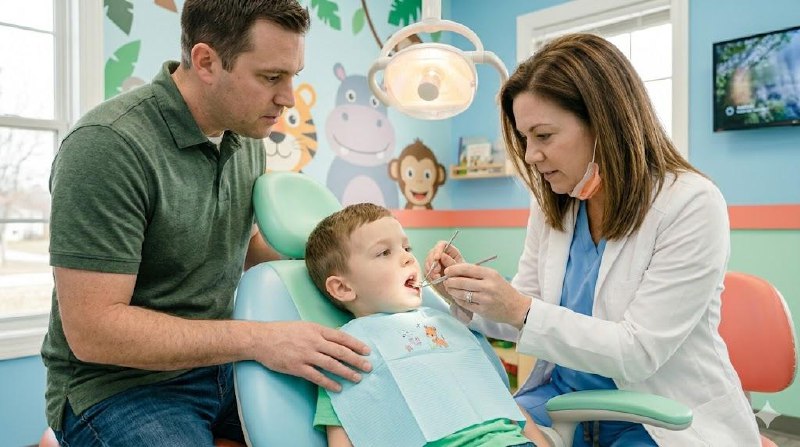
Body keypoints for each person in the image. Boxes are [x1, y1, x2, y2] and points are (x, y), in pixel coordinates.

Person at [42, 1, 371, 445]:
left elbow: (249, 245)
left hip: (221, 366)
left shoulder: (245, 133)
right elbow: (94, 332)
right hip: (120, 387)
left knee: (378, 409)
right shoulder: (108, 146)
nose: (288, 98)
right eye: (271, 77)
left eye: (294, 75)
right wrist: (260, 339)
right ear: (205, 62)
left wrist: (365, 272)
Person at [424, 33, 761, 446]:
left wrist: (519, 308)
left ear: (605, 122)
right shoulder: (555, 206)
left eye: (544, 136)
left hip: (651, 414)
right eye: (524, 138)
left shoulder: (690, 203)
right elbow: (520, 312)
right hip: (560, 402)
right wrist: (466, 294)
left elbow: (637, 352)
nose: (530, 155)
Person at [304, 203, 551, 447]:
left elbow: (499, 398)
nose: (407, 258)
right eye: (384, 253)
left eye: (406, 247)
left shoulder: (446, 323)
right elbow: (347, 420)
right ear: (343, 288)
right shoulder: (343, 350)